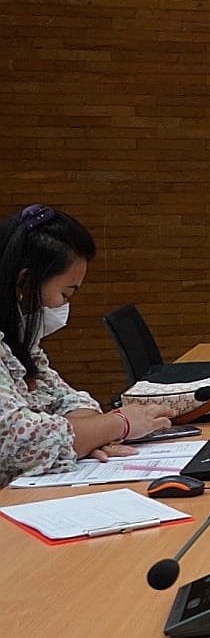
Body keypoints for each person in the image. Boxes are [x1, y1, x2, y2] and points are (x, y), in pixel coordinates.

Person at [0, 204, 173, 487]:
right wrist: (119, 424)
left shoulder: (19, 344)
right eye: (65, 293)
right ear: (25, 281)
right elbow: (20, 443)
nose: (64, 306)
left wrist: (91, 435)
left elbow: (68, 399)